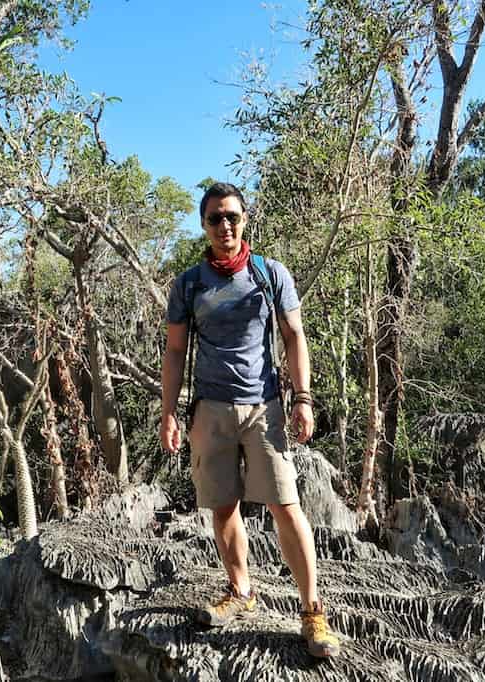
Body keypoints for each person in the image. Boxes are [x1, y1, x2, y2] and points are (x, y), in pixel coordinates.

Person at [159, 182, 340, 658]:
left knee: (286, 505)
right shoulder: (190, 284)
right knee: (223, 507)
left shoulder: (268, 274)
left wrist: (303, 399)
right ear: (204, 225)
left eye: (233, 217)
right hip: (210, 411)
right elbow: (176, 351)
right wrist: (169, 413)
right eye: (216, 218)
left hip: (264, 408)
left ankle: (312, 611)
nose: (225, 226)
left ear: (245, 220)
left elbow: (294, 336)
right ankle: (241, 591)